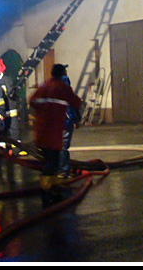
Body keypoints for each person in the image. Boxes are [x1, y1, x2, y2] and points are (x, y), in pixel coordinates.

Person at [29, 63, 82, 205]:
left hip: (41, 131)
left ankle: (52, 188)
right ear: (62, 74)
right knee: (52, 163)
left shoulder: (45, 85)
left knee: (50, 161)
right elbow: (76, 102)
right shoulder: (62, 87)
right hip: (53, 132)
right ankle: (46, 191)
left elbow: (32, 101)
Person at [57, 66, 82, 177]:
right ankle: (63, 170)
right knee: (63, 146)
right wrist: (75, 120)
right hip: (65, 122)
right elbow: (70, 107)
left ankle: (62, 169)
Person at [0, 58, 19, 147]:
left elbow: (10, 95)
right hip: (2, 111)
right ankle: (3, 150)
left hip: (10, 110)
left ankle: (16, 149)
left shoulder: (7, 79)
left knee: (13, 130)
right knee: (3, 131)